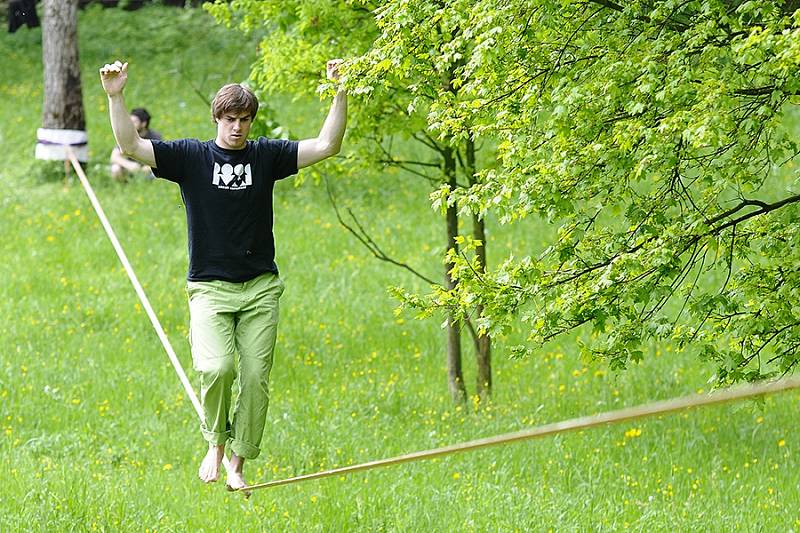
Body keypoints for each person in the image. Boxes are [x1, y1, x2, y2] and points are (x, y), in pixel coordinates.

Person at [99, 59, 346, 493]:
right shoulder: (192, 157)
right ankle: (214, 442)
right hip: (209, 288)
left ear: (252, 121)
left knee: (253, 377)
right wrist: (115, 96)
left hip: (260, 288)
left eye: (244, 120)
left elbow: (327, 145)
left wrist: (341, 90)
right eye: (230, 119)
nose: (237, 128)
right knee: (216, 368)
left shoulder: (266, 155)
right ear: (217, 118)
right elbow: (132, 147)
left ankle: (238, 461)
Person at [110, 108, 162, 182]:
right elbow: (114, 157)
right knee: (115, 168)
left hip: (147, 170)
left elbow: (160, 159)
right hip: (130, 168)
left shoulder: (154, 137)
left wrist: (147, 168)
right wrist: (129, 165)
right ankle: (124, 187)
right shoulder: (127, 135)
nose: (131, 124)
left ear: (143, 123)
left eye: (134, 122)